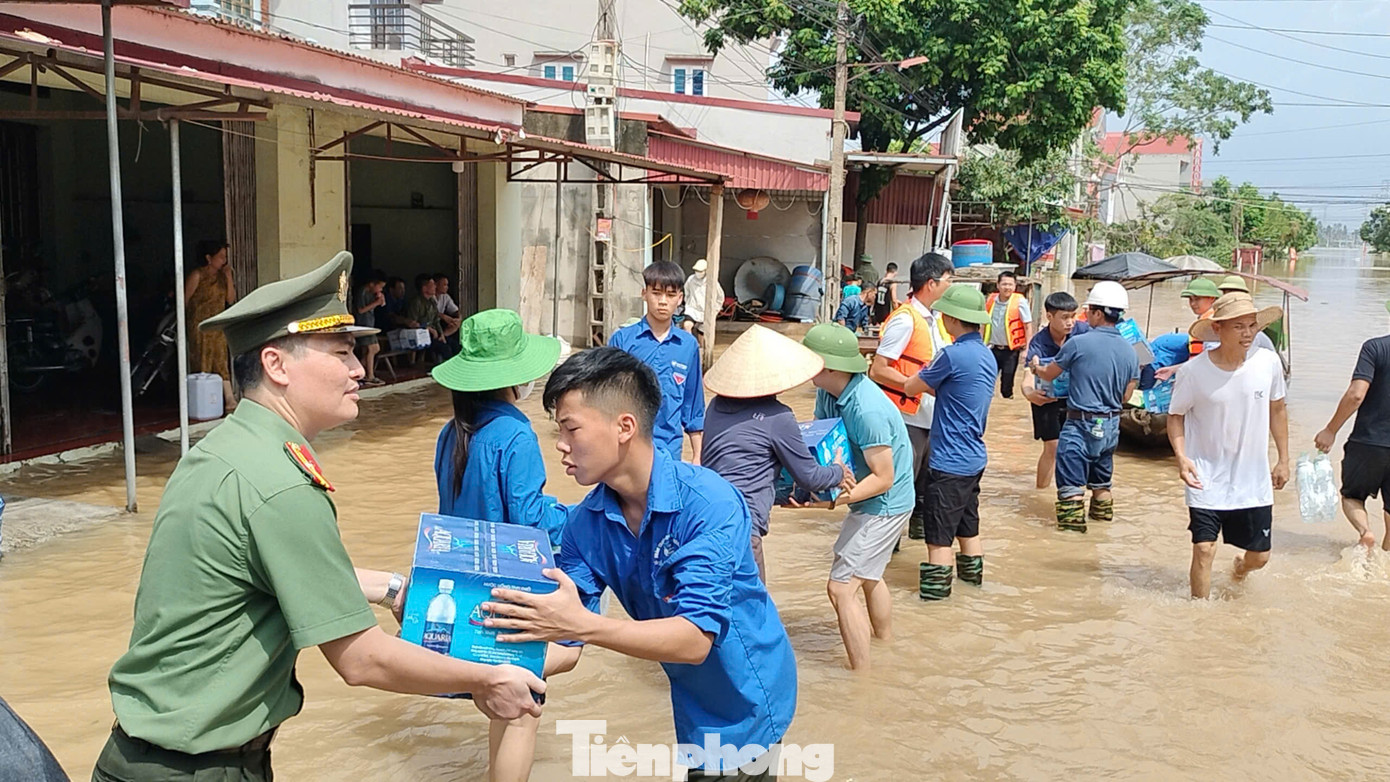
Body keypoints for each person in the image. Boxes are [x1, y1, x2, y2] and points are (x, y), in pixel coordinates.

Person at [93, 253, 543, 782]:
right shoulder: (281, 482)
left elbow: (268, 576)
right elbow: (362, 661)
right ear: (276, 365)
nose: (358, 368)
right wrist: (487, 679)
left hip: (149, 756)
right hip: (197, 769)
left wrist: (394, 587)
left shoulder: (225, 451)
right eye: (342, 351)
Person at [482, 347, 797, 780]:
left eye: (571, 429)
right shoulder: (585, 525)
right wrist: (492, 669)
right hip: (691, 695)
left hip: (748, 694)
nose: (560, 445)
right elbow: (566, 636)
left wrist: (579, 626)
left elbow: (694, 639)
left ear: (624, 427)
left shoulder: (709, 504)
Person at [429, 308, 579, 782]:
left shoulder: (451, 432)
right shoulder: (514, 433)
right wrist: (579, 518)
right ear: (516, 376)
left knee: (505, 699)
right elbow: (531, 520)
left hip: (469, 583)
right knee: (528, 700)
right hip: (510, 587)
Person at [800, 323, 914, 670]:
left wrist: (833, 500)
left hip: (885, 503)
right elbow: (823, 440)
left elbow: (884, 478)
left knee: (841, 588)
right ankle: (885, 645)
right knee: (870, 576)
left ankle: (862, 678)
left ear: (830, 366)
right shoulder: (828, 391)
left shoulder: (867, 409)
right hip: (866, 497)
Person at [701, 325, 854, 581]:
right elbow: (810, 477)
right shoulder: (778, 417)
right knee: (754, 615)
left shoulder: (715, 406)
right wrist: (839, 470)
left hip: (705, 519)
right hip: (742, 527)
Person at [1168, 293, 1289, 598]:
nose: (1248, 333)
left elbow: (1278, 410)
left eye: (1252, 326)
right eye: (1239, 327)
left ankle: (1240, 567)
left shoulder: (1268, 363)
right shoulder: (1192, 372)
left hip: (1253, 479)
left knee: (1260, 557)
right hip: (1205, 476)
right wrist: (1181, 457)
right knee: (1204, 549)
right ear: (1218, 329)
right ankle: (1200, 615)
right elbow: (1175, 417)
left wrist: (1283, 459)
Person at [903, 285, 996, 600]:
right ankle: (973, 588)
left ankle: (935, 603)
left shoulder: (950, 355)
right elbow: (958, 392)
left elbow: (912, 385)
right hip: (974, 459)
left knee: (939, 538)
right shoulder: (986, 355)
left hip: (948, 462)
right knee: (969, 530)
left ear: (953, 320)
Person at [1031, 281, 1140, 533]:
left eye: (1089, 310)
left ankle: (1071, 544)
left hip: (1080, 425)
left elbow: (1049, 374)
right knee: (1102, 487)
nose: (1085, 315)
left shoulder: (1078, 344)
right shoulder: (1130, 351)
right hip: (1111, 427)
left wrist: (1036, 367)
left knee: (1071, 490)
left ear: (1098, 313)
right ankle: (1100, 536)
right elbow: (1126, 396)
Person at [868, 252, 953, 542]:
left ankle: (916, 548)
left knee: (926, 491)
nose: (949, 287)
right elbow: (878, 370)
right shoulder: (905, 320)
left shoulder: (936, 320)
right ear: (931, 283)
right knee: (899, 488)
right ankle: (884, 551)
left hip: (931, 418)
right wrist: (916, 386)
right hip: (906, 418)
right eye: (947, 280)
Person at [608, 261, 705, 463]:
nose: (663, 301)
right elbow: (606, 398)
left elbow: (693, 405)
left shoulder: (688, 346)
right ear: (644, 294)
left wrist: (697, 456)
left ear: (680, 299)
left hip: (669, 452)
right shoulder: (622, 341)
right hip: (625, 450)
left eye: (670, 295)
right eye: (656, 293)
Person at [1314, 301, 1390, 549]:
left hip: (1369, 442)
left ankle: (1365, 531)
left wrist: (1330, 430)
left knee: (1352, 497)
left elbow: (1356, 395)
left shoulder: (1375, 348)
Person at [1022, 292, 1090, 489]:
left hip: (1074, 398)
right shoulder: (1039, 342)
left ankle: (1071, 490)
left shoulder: (1083, 332)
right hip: (1046, 400)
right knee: (1052, 447)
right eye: (1065, 317)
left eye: (1073, 316)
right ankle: (1041, 491)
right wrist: (1029, 394)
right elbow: (1028, 374)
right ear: (1049, 317)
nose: (1070, 322)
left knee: (1076, 446)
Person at [184, 239, 237, 411]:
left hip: (217, 326)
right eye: (220, 257)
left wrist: (229, 277)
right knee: (202, 362)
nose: (224, 260)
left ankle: (229, 398)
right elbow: (184, 300)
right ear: (209, 258)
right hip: (200, 326)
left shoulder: (222, 277)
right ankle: (203, 400)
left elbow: (230, 299)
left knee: (221, 361)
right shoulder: (197, 275)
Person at [984, 271, 1032, 399]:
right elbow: (983, 324)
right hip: (992, 348)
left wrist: (1026, 350)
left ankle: (1007, 404)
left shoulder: (1020, 302)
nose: (1007, 287)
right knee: (986, 381)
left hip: (1011, 351)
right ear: (998, 285)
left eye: (1010, 284)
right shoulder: (991, 300)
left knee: (1007, 384)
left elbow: (1028, 326)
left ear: (1015, 286)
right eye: (1004, 284)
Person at [405, 273, 459, 362]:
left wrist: (441, 334)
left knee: (455, 346)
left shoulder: (432, 302)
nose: (435, 287)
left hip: (434, 334)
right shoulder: (416, 302)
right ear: (424, 288)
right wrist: (429, 329)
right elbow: (413, 323)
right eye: (433, 285)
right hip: (421, 335)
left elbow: (436, 321)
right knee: (445, 349)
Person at [354, 271, 387, 387]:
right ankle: (370, 376)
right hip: (363, 324)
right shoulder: (362, 292)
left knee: (373, 349)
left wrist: (379, 298)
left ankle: (360, 369)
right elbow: (361, 310)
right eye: (380, 287)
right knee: (372, 348)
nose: (381, 289)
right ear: (372, 284)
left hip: (369, 324)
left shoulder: (371, 293)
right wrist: (376, 303)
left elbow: (382, 304)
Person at [681, 258, 724, 336]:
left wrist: (715, 309)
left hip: (706, 311)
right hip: (693, 309)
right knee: (687, 325)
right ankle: (691, 345)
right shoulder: (691, 280)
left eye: (700, 271)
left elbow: (720, 297)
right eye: (697, 271)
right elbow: (687, 292)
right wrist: (689, 303)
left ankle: (702, 346)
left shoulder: (712, 282)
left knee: (702, 333)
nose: (698, 273)